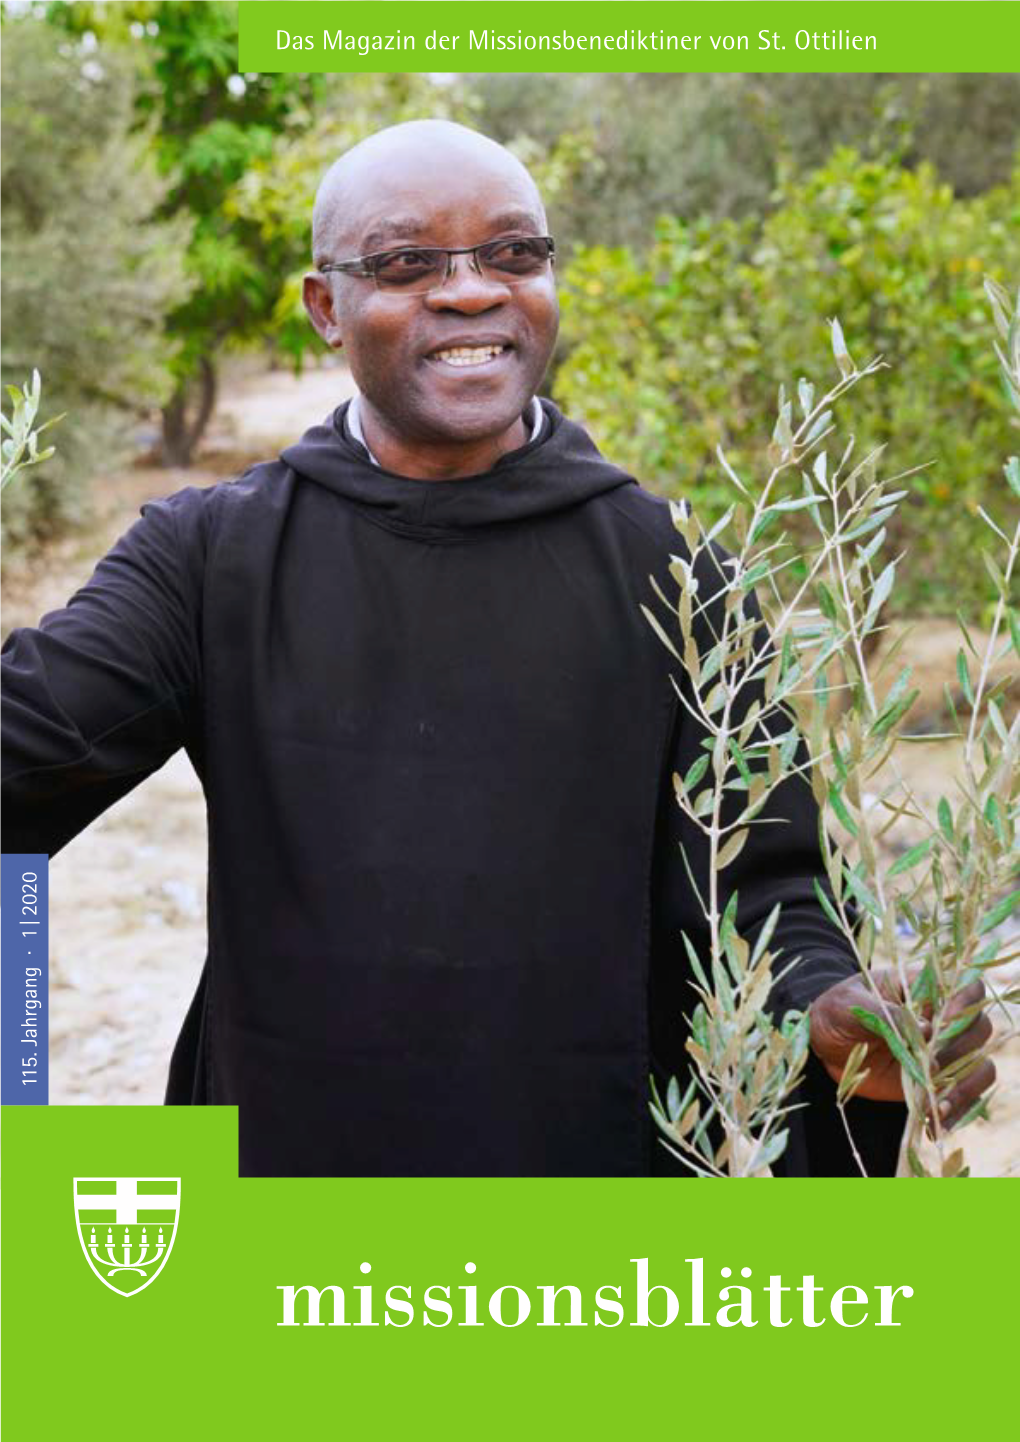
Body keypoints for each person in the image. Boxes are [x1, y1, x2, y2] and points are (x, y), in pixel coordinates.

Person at [1, 120, 993, 1177]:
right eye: (405, 262)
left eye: (513, 253)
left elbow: (764, 888)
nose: (471, 291)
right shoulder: (212, 557)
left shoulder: (674, 571)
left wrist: (829, 1017)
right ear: (326, 307)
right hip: (295, 1167)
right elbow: (30, 747)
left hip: (590, 1196)